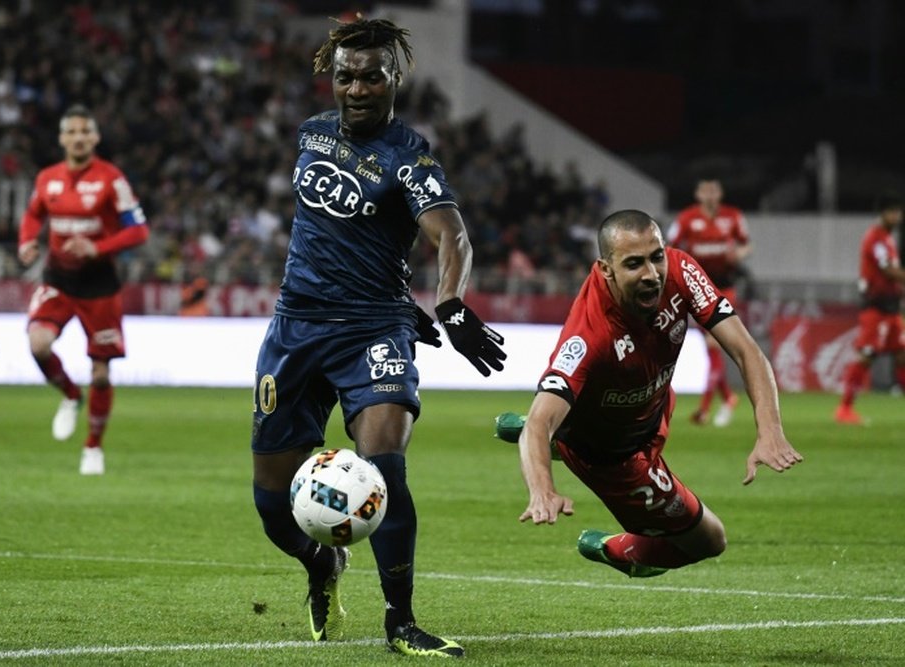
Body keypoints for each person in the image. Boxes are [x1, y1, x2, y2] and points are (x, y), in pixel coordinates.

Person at [251, 17, 505, 659]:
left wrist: (446, 302)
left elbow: (452, 235)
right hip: (296, 329)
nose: (358, 88)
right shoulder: (309, 133)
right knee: (274, 510)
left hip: (373, 334)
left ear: (394, 80)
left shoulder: (410, 157)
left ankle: (401, 623)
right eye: (347, 76)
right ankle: (320, 567)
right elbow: (330, 234)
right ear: (330, 78)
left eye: (372, 76)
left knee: (384, 468)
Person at [499, 210, 801, 578]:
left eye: (656, 256)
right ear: (606, 269)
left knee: (556, 424)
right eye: (633, 264)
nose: (653, 273)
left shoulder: (681, 270)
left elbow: (746, 350)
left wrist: (769, 430)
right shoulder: (589, 335)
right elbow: (540, 419)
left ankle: (555, 442)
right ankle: (616, 549)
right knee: (710, 540)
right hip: (614, 457)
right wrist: (542, 490)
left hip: (653, 403)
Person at [17, 105, 148, 475]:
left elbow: (139, 230)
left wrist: (97, 248)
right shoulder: (47, 179)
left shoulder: (111, 179)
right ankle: (71, 396)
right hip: (57, 278)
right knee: (38, 344)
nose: (77, 137)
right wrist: (27, 242)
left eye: (84, 131)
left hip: (99, 284)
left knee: (102, 375)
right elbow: (32, 216)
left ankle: (93, 448)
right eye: (71, 131)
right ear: (62, 138)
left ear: (94, 137)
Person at [667, 179, 752, 426]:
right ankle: (728, 397)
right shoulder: (686, 218)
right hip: (697, 287)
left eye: (714, 191)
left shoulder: (733, 216)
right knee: (710, 347)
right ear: (698, 194)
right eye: (706, 191)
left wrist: (740, 253)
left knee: (713, 343)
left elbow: (747, 244)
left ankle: (704, 409)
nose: (710, 195)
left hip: (725, 288)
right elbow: (669, 248)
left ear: (720, 193)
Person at [834, 193, 905, 424]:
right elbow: (887, 271)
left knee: (902, 354)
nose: (896, 216)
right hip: (876, 308)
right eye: (892, 212)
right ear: (882, 213)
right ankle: (844, 408)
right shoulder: (876, 238)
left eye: (898, 212)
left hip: (891, 309)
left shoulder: (888, 238)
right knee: (866, 355)